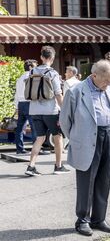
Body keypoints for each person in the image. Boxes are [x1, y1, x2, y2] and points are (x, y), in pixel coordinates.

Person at [60, 60, 110, 236]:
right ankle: (83, 220)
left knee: (104, 179)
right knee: (86, 181)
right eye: (106, 80)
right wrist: (77, 138)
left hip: (108, 135)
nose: (109, 84)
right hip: (86, 140)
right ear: (94, 76)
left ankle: (99, 219)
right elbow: (65, 121)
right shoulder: (76, 91)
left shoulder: (109, 88)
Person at [25, 46, 69, 176]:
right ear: (52, 58)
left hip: (34, 110)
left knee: (40, 138)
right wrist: (64, 109)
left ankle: (31, 166)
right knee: (58, 137)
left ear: (41, 57)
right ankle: (58, 166)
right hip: (50, 111)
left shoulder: (32, 72)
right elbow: (58, 94)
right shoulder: (53, 73)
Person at [14, 59, 37, 155]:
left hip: (21, 104)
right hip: (29, 103)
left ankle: (20, 149)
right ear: (31, 67)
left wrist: (16, 107)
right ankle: (36, 149)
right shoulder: (31, 77)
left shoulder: (20, 78)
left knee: (20, 128)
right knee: (34, 127)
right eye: (35, 66)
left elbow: (16, 94)